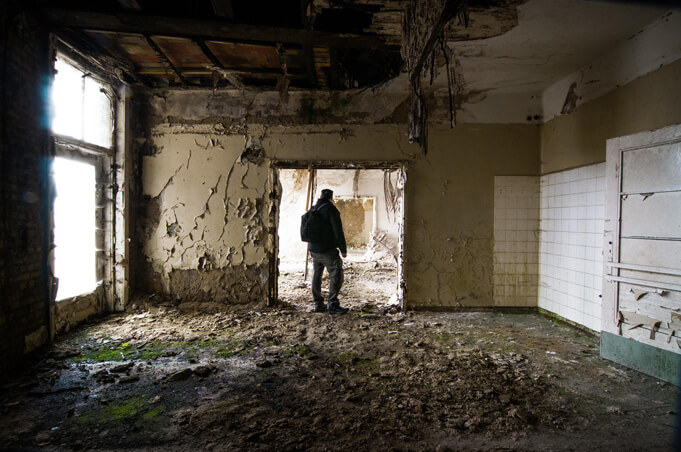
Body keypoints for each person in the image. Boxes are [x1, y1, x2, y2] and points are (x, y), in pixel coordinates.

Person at [309, 189, 349, 314]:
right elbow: (338, 231)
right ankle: (333, 304)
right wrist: (343, 249)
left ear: (320, 196)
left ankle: (318, 304)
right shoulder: (331, 210)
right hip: (326, 249)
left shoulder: (313, 208)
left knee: (316, 274)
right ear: (331, 198)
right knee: (336, 273)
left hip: (313, 248)